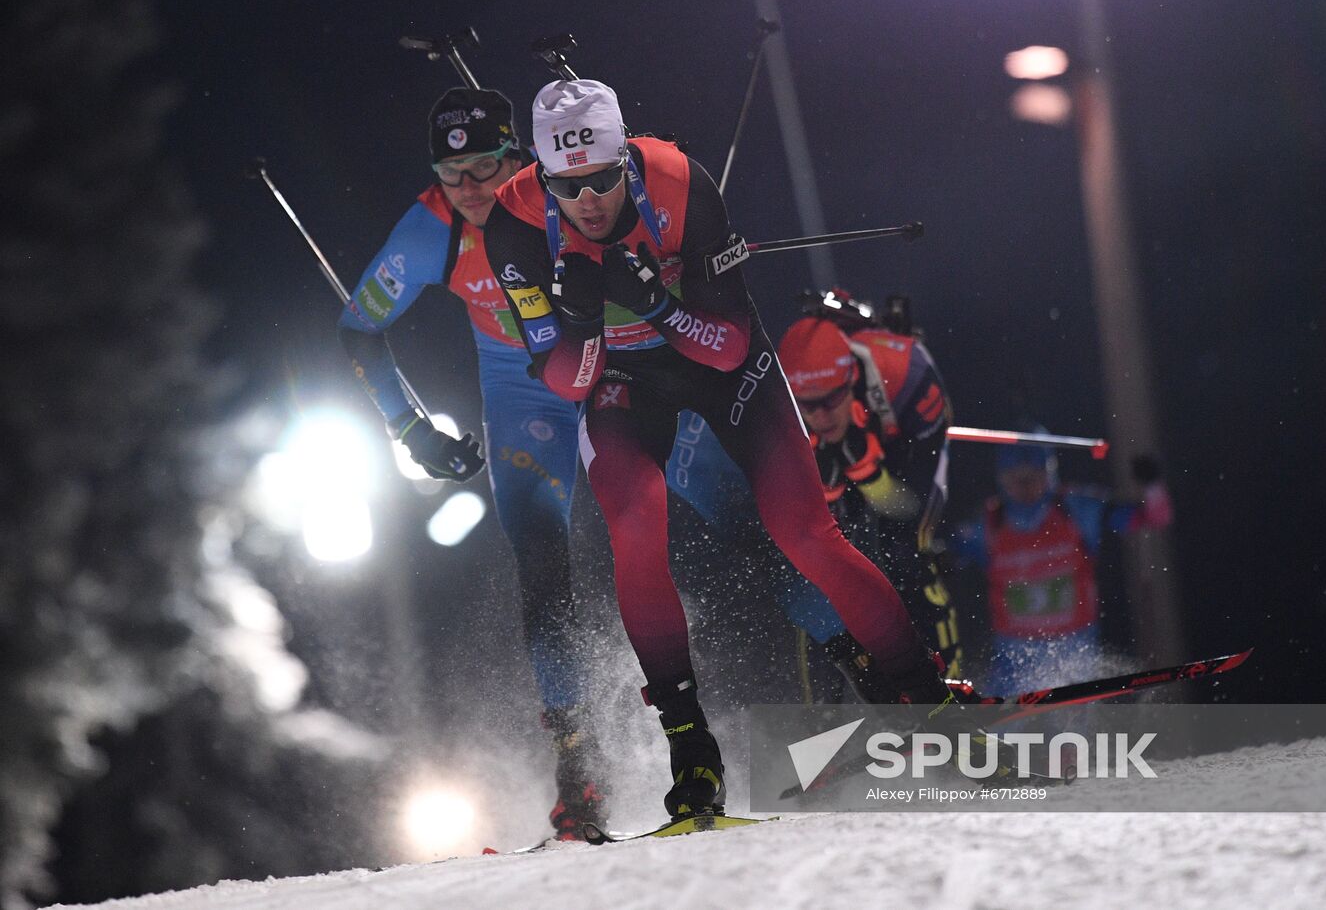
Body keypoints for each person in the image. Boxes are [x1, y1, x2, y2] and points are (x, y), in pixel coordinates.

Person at [483, 78, 965, 819]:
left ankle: (925, 698)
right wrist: (580, 322)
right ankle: (691, 749)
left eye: (604, 180)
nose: (588, 201)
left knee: (804, 531)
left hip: (715, 361)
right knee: (636, 523)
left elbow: (729, 345)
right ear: (542, 175)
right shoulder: (515, 222)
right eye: (567, 185)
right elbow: (567, 382)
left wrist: (654, 305)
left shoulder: (677, 182)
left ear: (627, 163)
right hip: (618, 377)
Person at [337, 87, 607, 839]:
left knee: (722, 519)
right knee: (544, 566)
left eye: (486, 166)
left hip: (614, 375)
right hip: (527, 400)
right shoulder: (432, 227)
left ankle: (880, 710)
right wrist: (411, 430)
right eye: (452, 173)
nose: (472, 189)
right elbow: (357, 330)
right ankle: (579, 772)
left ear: (518, 158)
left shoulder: (564, 196)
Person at [777, 306, 963, 702]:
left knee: (906, 551)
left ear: (852, 379)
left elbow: (909, 506)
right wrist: (831, 492)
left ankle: (951, 686)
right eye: (807, 405)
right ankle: (821, 719)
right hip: (827, 450)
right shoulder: (778, 410)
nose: (821, 415)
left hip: (902, 435)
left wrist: (871, 477)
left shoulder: (907, 375)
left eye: (831, 399)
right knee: (820, 570)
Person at [950, 436, 1173, 696]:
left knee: (1071, 732)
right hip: (1014, 658)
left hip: (1073, 652)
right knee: (995, 728)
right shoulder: (988, 523)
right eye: (1014, 478)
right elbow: (945, 557)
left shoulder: (1077, 509)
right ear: (1001, 479)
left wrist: (1152, 485)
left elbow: (1155, 517)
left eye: (1033, 477)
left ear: (1049, 474)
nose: (1024, 487)